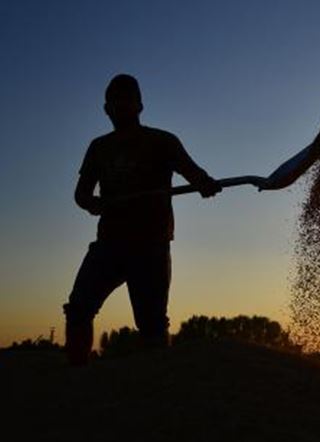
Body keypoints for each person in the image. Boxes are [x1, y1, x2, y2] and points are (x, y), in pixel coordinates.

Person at [64, 74, 222, 365]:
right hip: (109, 243)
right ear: (106, 109)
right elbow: (81, 194)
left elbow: (193, 173)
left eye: (127, 100)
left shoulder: (162, 142)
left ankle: (156, 386)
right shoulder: (99, 148)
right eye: (115, 102)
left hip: (151, 244)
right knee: (78, 308)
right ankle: (77, 374)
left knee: (151, 325)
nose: (121, 107)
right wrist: (93, 204)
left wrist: (205, 184)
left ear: (140, 106)